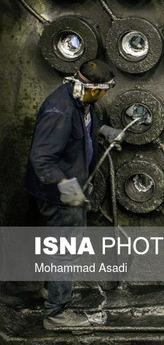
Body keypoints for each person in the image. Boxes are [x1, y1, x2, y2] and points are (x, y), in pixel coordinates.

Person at [25, 60, 122, 329]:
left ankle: (50, 291)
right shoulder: (60, 109)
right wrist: (68, 188)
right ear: (93, 88)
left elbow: (81, 128)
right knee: (64, 251)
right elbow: (41, 159)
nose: (106, 95)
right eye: (104, 90)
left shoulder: (81, 100)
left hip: (69, 188)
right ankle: (55, 314)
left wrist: (103, 132)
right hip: (59, 194)